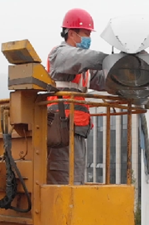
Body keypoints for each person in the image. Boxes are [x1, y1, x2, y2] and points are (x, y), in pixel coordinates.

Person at [46, 8, 109, 185]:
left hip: (77, 128)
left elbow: (104, 80)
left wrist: (126, 72)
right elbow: (81, 58)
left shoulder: (84, 68)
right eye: (86, 33)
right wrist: (110, 59)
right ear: (71, 33)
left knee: (76, 177)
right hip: (61, 128)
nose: (89, 38)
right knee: (63, 178)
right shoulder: (60, 54)